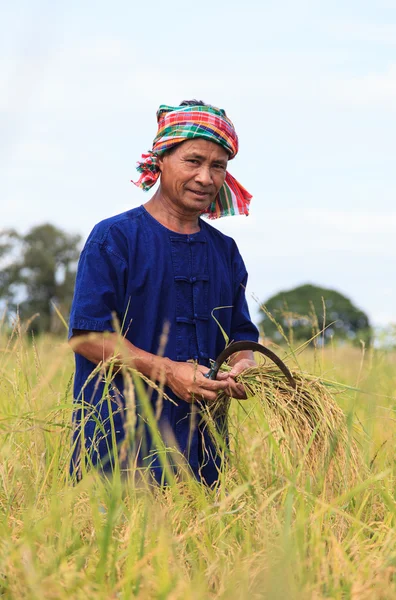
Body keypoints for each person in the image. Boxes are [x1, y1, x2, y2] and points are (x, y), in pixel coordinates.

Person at [69, 100, 259, 486]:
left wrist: (246, 366)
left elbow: (240, 335)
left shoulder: (225, 251)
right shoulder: (114, 238)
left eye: (218, 166)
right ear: (161, 160)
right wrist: (169, 371)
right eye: (193, 161)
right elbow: (88, 337)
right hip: (119, 446)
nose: (206, 177)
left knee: (202, 544)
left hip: (202, 450)